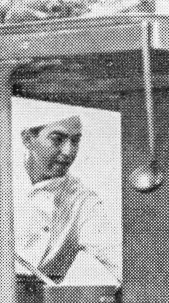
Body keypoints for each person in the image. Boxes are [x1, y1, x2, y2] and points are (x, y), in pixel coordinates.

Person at [16, 114, 121, 284]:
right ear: (28, 139)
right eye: (57, 139)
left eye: (75, 141)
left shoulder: (82, 200)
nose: (68, 152)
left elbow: (119, 257)